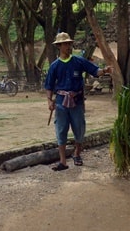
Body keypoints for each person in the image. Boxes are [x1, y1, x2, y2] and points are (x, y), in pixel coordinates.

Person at [44, 32, 112, 171]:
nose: (68, 46)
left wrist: (104, 70)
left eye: (69, 43)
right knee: (61, 130)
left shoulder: (79, 61)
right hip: (61, 102)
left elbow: (95, 70)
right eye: (65, 44)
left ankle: (77, 154)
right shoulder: (54, 66)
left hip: (77, 101)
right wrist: (49, 101)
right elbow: (49, 85)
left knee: (79, 129)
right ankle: (63, 161)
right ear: (59, 46)